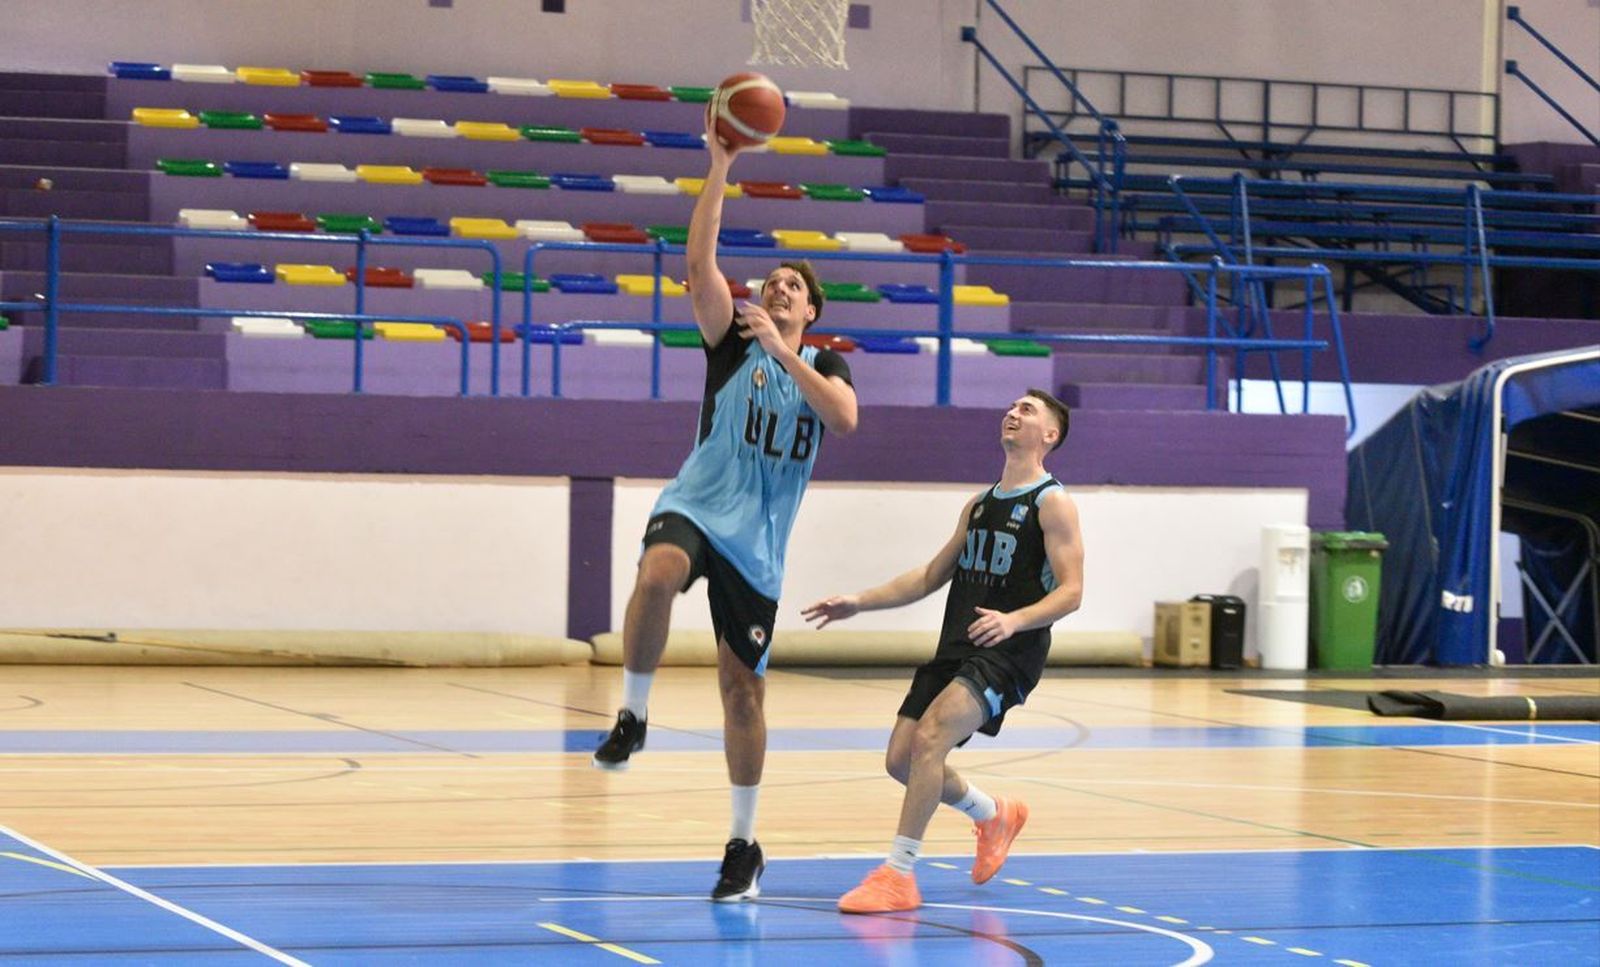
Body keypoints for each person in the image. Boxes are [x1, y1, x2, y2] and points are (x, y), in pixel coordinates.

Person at [592, 105, 859, 904]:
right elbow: (697, 262)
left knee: (743, 689)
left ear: (810, 311)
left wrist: (789, 354)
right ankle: (634, 713)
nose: (777, 286)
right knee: (657, 571)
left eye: (793, 286)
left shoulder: (827, 363)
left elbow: (843, 419)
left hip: (759, 545)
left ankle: (744, 843)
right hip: (700, 504)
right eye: (772, 280)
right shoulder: (732, 340)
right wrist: (720, 166)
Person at [802, 390, 1084, 913]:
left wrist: (1013, 620)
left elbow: (1072, 591)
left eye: (1028, 410)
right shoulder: (979, 505)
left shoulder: (1052, 502)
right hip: (956, 647)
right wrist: (857, 603)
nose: (1013, 412)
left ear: (1049, 435)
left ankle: (899, 874)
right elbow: (931, 576)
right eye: (1013, 406)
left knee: (930, 739)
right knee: (900, 760)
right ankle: (992, 813)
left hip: (1009, 651)